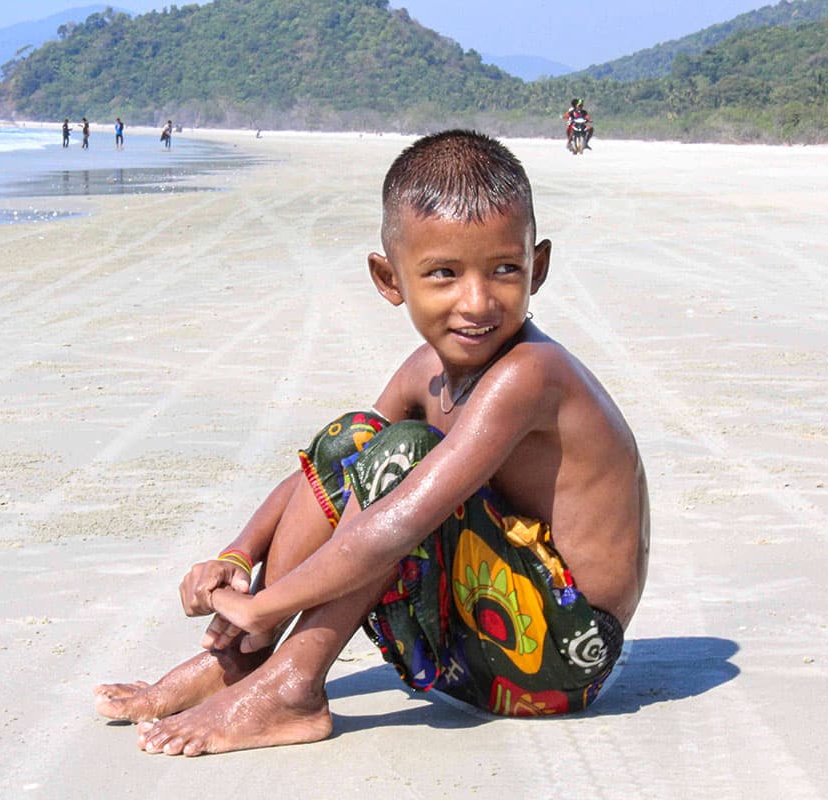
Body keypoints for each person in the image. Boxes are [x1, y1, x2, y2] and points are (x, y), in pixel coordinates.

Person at [94, 130, 650, 756]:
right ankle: (242, 664)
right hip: (489, 639)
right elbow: (333, 472)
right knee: (355, 435)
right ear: (390, 280)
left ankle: (291, 684)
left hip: (562, 657)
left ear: (537, 269)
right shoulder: (425, 370)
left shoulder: (529, 375)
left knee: (403, 454)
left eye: (504, 270)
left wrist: (267, 605)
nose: (477, 300)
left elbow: (391, 525)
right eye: (443, 273)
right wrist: (238, 556)